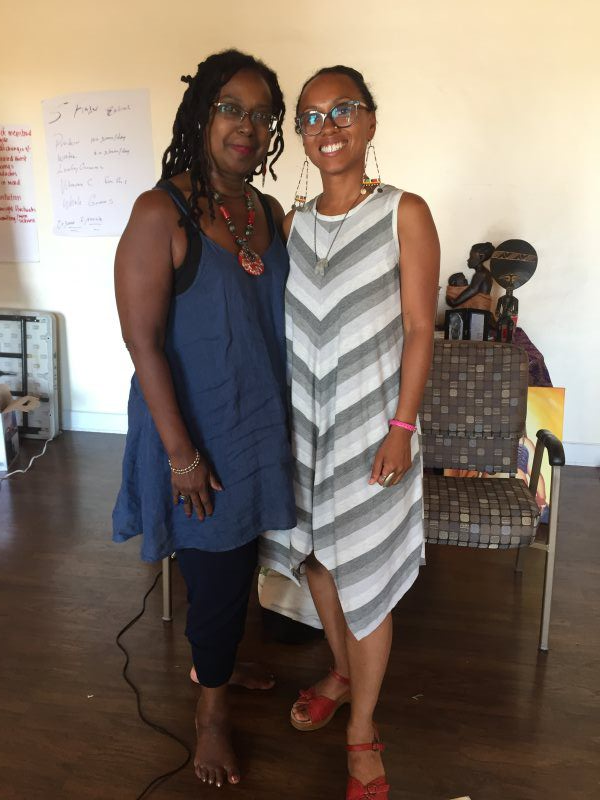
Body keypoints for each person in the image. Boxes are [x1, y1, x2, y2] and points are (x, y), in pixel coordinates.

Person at [112, 50, 296, 789]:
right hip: (194, 428)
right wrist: (181, 453)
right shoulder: (162, 212)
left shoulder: (266, 211)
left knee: (236, 561)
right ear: (201, 114)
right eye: (231, 108)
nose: (246, 127)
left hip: (257, 421)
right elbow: (141, 340)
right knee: (215, 571)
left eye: (262, 115)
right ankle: (209, 714)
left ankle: (216, 657)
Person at [260, 66, 440, 800]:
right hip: (307, 431)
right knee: (319, 565)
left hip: (375, 432)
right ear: (299, 135)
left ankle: (363, 728)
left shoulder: (405, 212)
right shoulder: (293, 226)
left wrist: (401, 428)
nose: (326, 126)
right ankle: (338, 671)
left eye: (342, 111)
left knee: (364, 578)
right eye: (310, 116)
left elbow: (423, 330)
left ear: (369, 123)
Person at [445, 241, 494, 308]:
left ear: (481, 257)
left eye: (471, 257)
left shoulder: (481, 274)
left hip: (479, 311)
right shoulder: (484, 273)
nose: (468, 260)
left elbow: (472, 290)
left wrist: (454, 302)